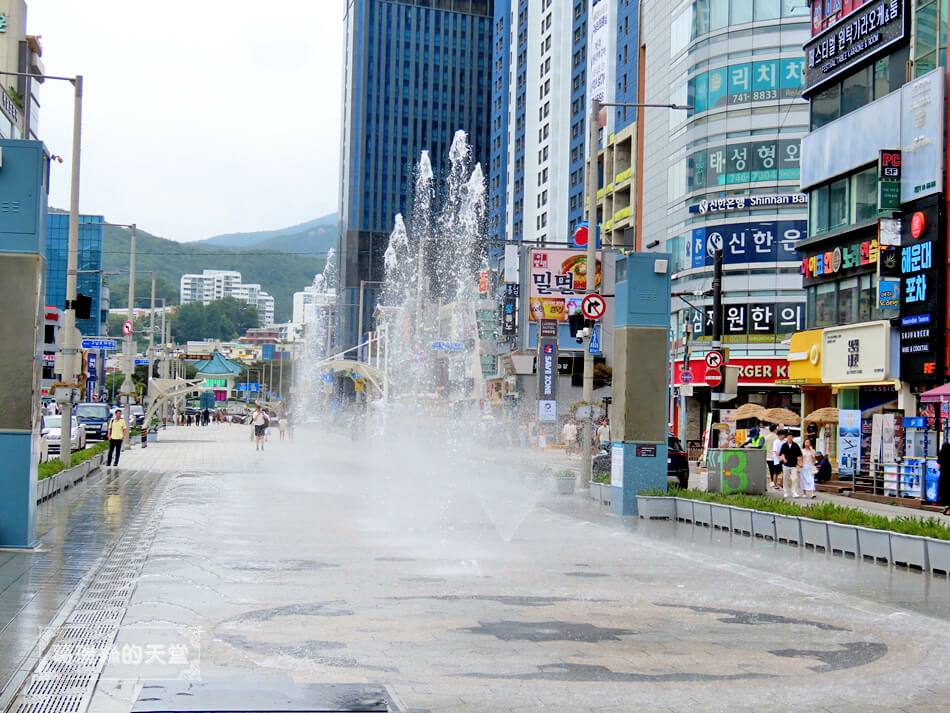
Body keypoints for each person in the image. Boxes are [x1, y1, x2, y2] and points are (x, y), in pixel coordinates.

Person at [779, 430, 804, 498]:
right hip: (786, 464)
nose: (790, 437)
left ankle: (794, 492)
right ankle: (785, 492)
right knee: (785, 478)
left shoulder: (795, 445)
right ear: (787, 437)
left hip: (793, 464)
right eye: (788, 436)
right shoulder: (784, 445)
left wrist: (800, 463)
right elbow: (782, 454)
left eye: (791, 436)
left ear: (793, 437)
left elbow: (799, 455)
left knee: (795, 478)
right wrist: (784, 459)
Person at [938, 442, 950, 514]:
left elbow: (938, 466)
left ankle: (947, 507)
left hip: (944, 475)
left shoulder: (942, 454)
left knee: (944, 490)